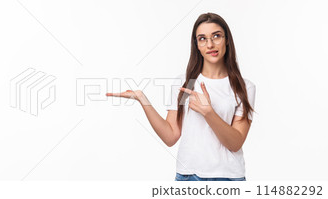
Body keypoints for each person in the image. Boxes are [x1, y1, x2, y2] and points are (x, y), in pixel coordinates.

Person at [106, 12, 256, 181]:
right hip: (188, 177)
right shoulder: (186, 83)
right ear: (197, 45)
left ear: (227, 40)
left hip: (228, 178)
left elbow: (235, 143)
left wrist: (208, 113)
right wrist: (143, 101)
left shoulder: (243, 87)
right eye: (202, 38)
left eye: (216, 36)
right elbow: (170, 136)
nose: (210, 44)